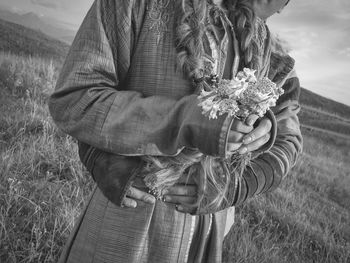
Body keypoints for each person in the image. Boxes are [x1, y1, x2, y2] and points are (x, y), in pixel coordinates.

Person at [49, 0, 302, 262]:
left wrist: (238, 185)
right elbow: (75, 98)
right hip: (130, 219)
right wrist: (96, 153)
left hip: (206, 232)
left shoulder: (270, 49)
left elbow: (288, 140)